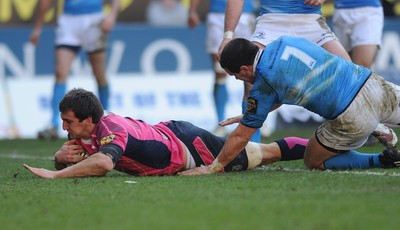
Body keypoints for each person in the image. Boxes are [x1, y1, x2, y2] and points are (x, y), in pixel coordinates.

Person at [179, 37, 400, 176]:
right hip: (371, 84)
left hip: (350, 115)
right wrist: (249, 114)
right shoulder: (284, 41)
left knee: (313, 160)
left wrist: (213, 167)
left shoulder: (264, 84)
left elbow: (240, 137)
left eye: (235, 75)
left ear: (245, 69)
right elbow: (287, 90)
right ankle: (376, 125)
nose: (237, 79)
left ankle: (380, 159)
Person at [23, 88, 308, 178]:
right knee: (259, 154)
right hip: (172, 133)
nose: (64, 128)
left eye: (68, 122)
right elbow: (79, 159)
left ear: (87, 120)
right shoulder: (88, 131)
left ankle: (325, 148)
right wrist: (60, 159)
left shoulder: (110, 129)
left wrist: (56, 174)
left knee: (262, 153)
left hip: (189, 145)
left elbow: (103, 164)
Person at [218, 0, 352, 143]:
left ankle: (349, 136)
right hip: (271, 21)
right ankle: (250, 147)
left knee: (348, 74)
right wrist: (228, 35)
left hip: (310, 20)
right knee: (251, 84)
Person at [29, 0, 121, 140]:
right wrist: (38, 27)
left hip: (94, 19)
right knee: (61, 72)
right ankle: (54, 124)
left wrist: (112, 15)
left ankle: (105, 120)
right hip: (69, 21)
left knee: (99, 74)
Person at [188, 0, 256, 137]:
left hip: (245, 14)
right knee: (220, 71)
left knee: (251, 71)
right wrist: (192, 10)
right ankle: (221, 122)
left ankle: (255, 118)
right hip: (218, 15)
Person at [332, 0, 384, 145]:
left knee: (362, 66)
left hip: (368, 9)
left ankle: (368, 123)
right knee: (344, 69)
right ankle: (343, 122)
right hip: (341, 10)